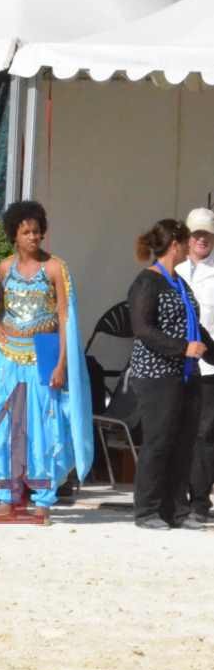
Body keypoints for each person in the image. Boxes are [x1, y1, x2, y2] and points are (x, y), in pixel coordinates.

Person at [0, 200, 93, 525]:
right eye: (26, 232)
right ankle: (7, 495)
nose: (33, 237)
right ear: (14, 234)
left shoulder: (56, 268)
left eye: (37, 232)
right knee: (7, 425)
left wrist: (60, 364)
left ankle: (42, 499)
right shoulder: (3, 269)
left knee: (44, 426)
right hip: (9, 360)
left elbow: (64, 316)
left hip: (43, 353)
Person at [128, 218, 214, 530]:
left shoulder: (178, 282)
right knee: (159, 441)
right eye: (186, 241)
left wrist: (208, 350)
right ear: (175, 245)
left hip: (186, 375)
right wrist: (182, 348)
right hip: (156, 375)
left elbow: (196, 325)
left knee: (183, 442)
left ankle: (177, 510)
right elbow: (142, 329)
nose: (191, 246)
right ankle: (147, 510)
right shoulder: (147, 281)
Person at [176, 207, 214, 523]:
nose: (202, 239)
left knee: (204, 434)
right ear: (187, 237)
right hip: (176, 365)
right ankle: (176, 500)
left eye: (207, 234)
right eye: (197, 233)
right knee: (177, 431)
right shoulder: (172, 270)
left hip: (209, 368)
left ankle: (200, 502)